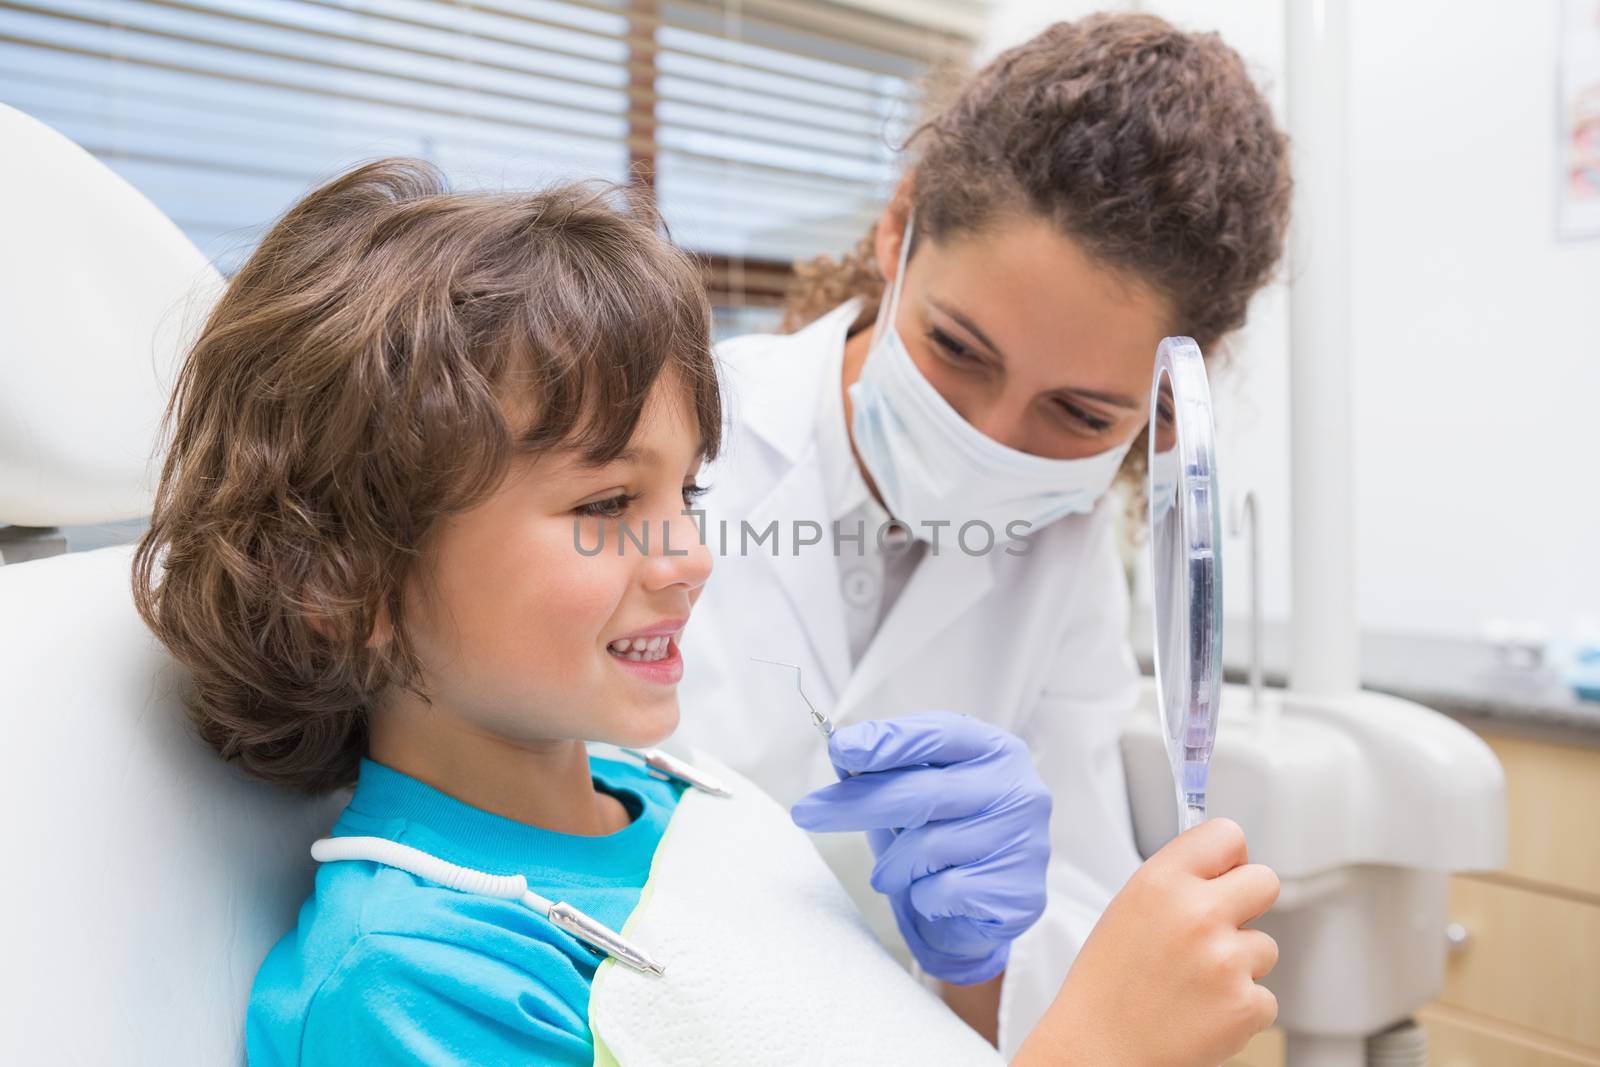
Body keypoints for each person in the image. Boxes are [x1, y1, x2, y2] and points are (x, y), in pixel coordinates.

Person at [133, 159, 1277, 1065]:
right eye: (606, 501)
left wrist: (974, 971)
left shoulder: (698, 802)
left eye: (690, 490)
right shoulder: (420, 981)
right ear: (344, 582)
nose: (690, 553)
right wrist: (1096, 1046)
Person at [673, 13, 1292, 1048]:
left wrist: (983, 951)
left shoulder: (1069, 546)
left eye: (1079, 414)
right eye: (957, 349)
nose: (987, 440)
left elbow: (1085, 953)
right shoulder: (686, 446)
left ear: (1160, 402)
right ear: (897, 228)